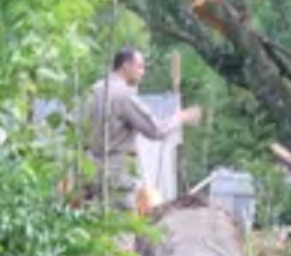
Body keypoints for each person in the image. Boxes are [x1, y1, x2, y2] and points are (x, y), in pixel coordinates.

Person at [78, 47, 202, 211]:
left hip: (89, 170)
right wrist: (180, 117)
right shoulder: (123, 95)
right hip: (116, 173)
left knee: (93, 224)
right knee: (121, 228)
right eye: (140, 66)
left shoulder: (94, 91)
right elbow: (155, 130)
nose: (143, 72)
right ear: (125, 66)